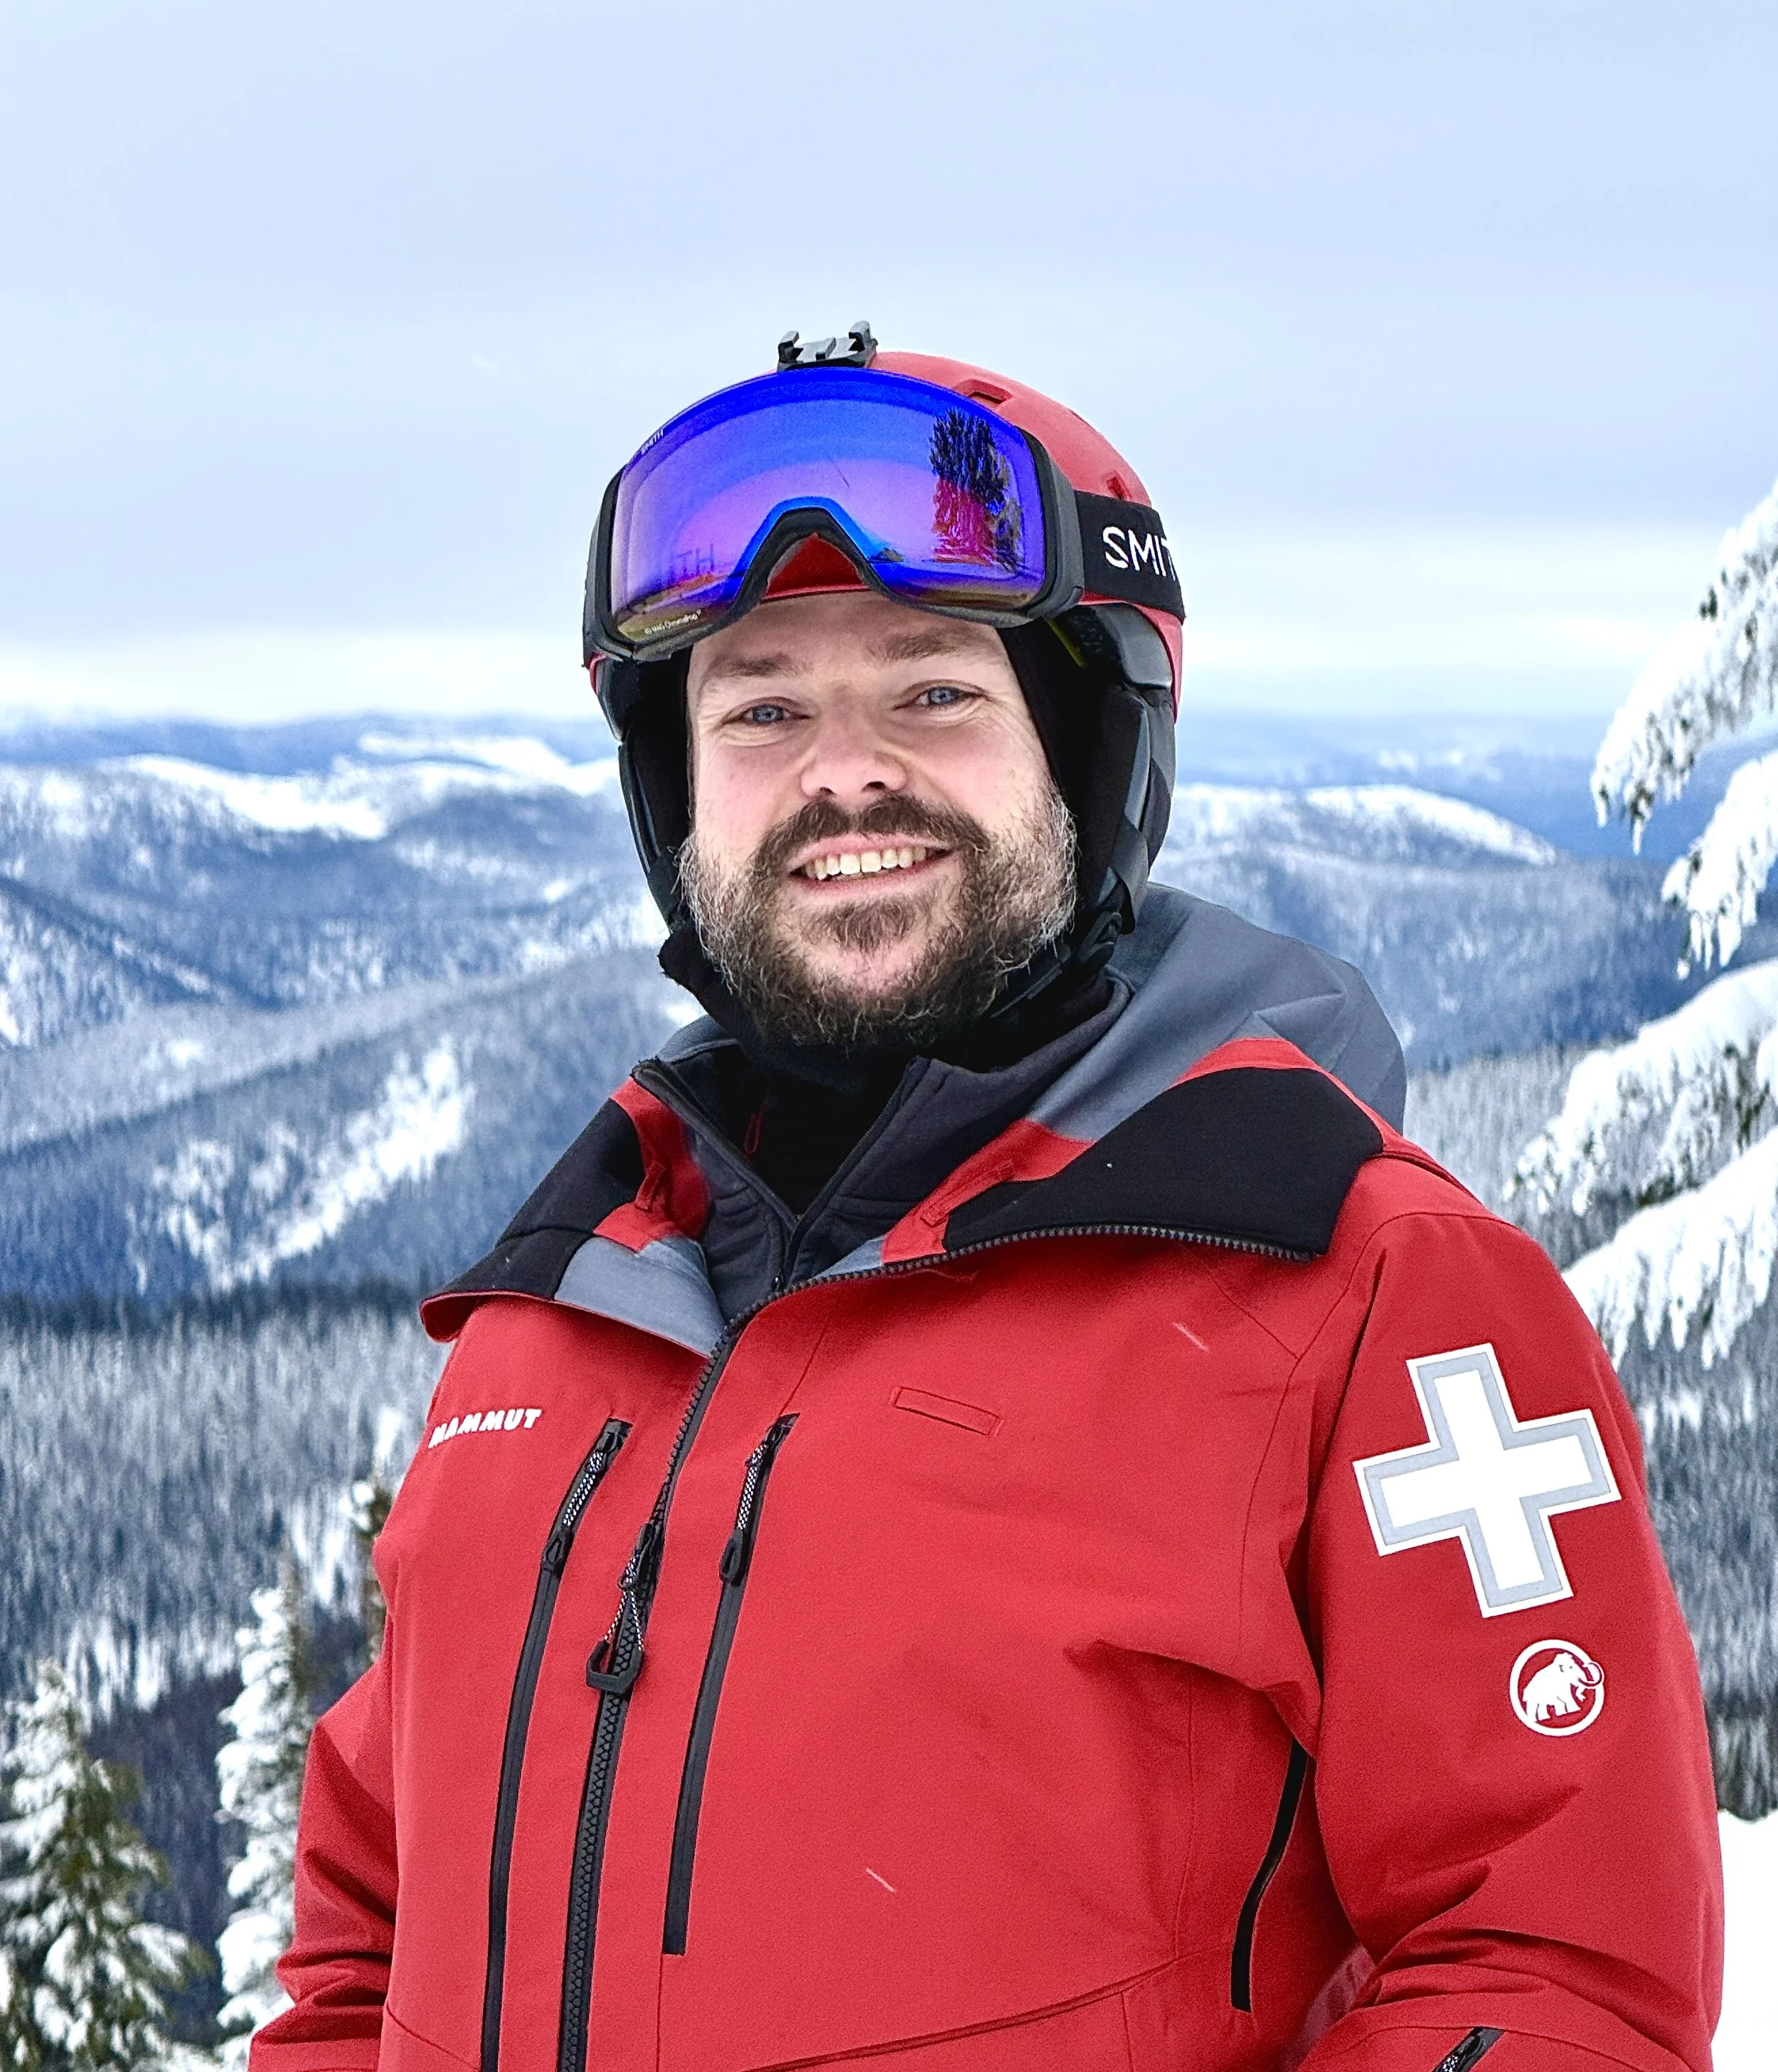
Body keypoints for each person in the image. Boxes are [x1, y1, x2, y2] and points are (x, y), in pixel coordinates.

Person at [267, 329, 1723, 2072]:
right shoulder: (555, 1316)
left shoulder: (1366, 1294)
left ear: (1088, 749)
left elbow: (1555, 1975)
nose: (843, 770)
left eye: (933, 688)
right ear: (680, 795)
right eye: (760, 707)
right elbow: (367, 1921)